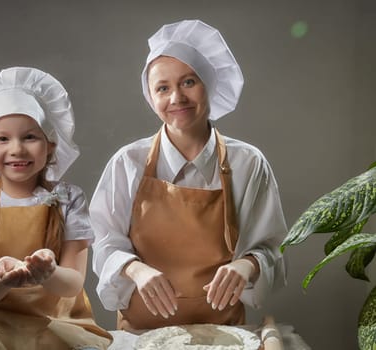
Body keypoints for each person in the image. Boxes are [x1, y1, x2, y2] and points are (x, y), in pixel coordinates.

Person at [90, 19, 288, 333]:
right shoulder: (127, 162)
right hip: (141, 335)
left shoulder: (248, 163)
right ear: (151, 96)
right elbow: (104, 244)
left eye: (189, 82)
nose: (176, 98)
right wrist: (137, 270)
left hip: (223, 334)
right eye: (162, 88)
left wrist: (246, 265)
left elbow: (272, 248)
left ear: (210, 83)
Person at [0, 67, 112, 350]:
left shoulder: (69, 199)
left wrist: (47, 272)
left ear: (50, 145)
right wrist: (1, 278)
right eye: (2, 138)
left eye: (30, 137)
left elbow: (72, 284)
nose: (17, 149)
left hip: (63, 324)